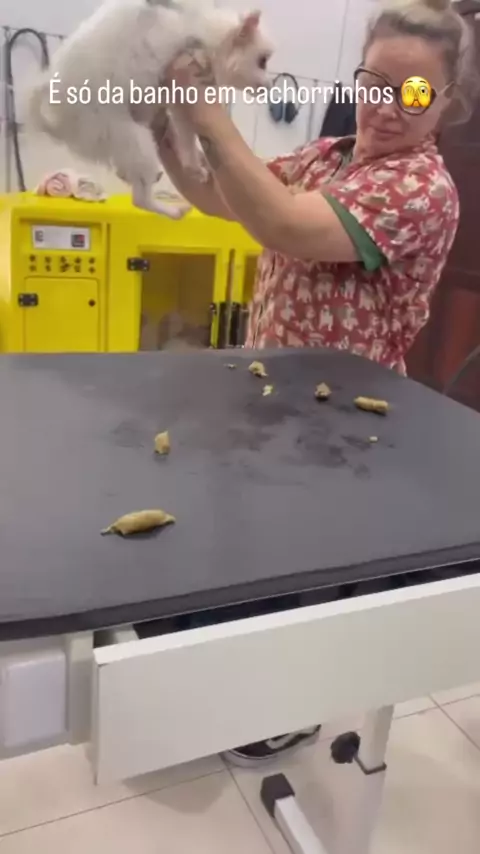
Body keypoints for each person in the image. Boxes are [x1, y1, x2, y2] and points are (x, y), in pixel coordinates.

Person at [151, 0, 479, 766]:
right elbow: (224, 199)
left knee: (292, 577)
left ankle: (285, 715)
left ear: (447, 102)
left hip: (342, 426)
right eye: (375, 83)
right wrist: (165, 125)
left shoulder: (422, 190)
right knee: (244, 553)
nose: (387, 107)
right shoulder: (328, 155)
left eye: (414, 93)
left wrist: (208, 113)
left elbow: (290, 227)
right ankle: (225, 691)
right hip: (267, 393)